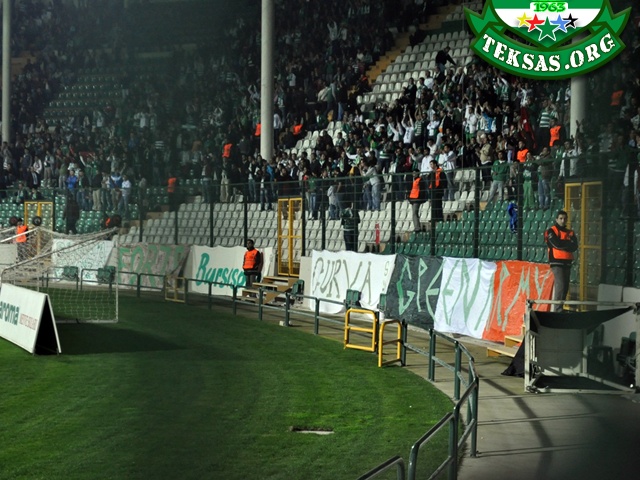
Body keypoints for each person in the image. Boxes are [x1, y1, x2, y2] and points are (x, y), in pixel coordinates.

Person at [545, 210, 578, 312]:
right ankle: (557, 310)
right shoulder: (551, 231)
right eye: (561, 218)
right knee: (560, 286)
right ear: (556, 219)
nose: (563, 221)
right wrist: (568, 243)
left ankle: (560, 308)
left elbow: (574, 246)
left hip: (567, 263)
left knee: (565, 287)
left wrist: (564, 244)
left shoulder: (570, 232)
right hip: (556, 262)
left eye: (564, 219)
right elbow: (556, 244)